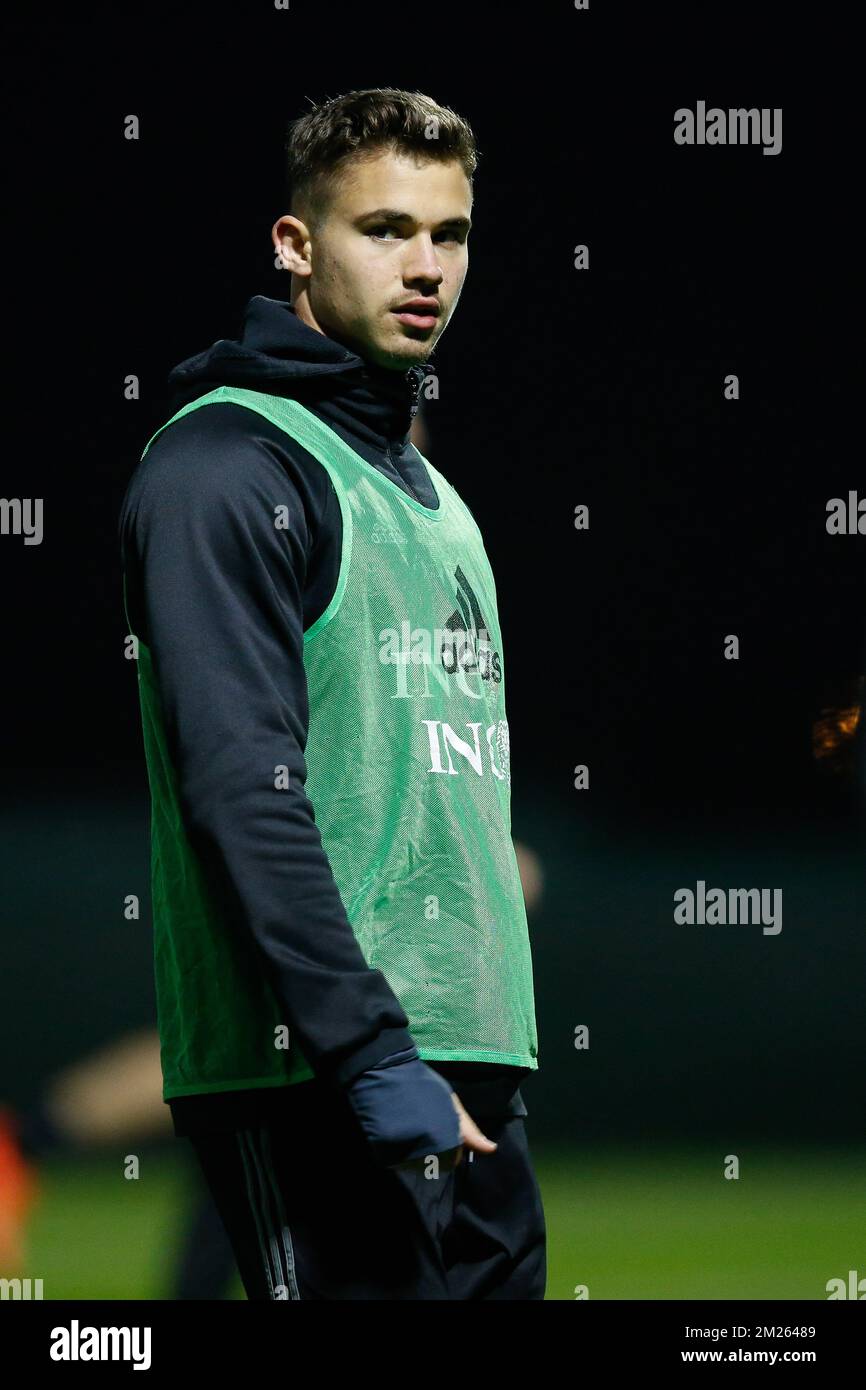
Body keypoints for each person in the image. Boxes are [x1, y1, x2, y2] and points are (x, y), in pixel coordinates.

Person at [118, 87, 545, 1300]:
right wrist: (368, 1056)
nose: (425, 266)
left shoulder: (427, 488)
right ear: (295, 246)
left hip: (471, 1070)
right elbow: (240, 791)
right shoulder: (223, 465)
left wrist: (458, 1054)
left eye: (448, 234)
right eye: (383, 229)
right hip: (319, 1077)